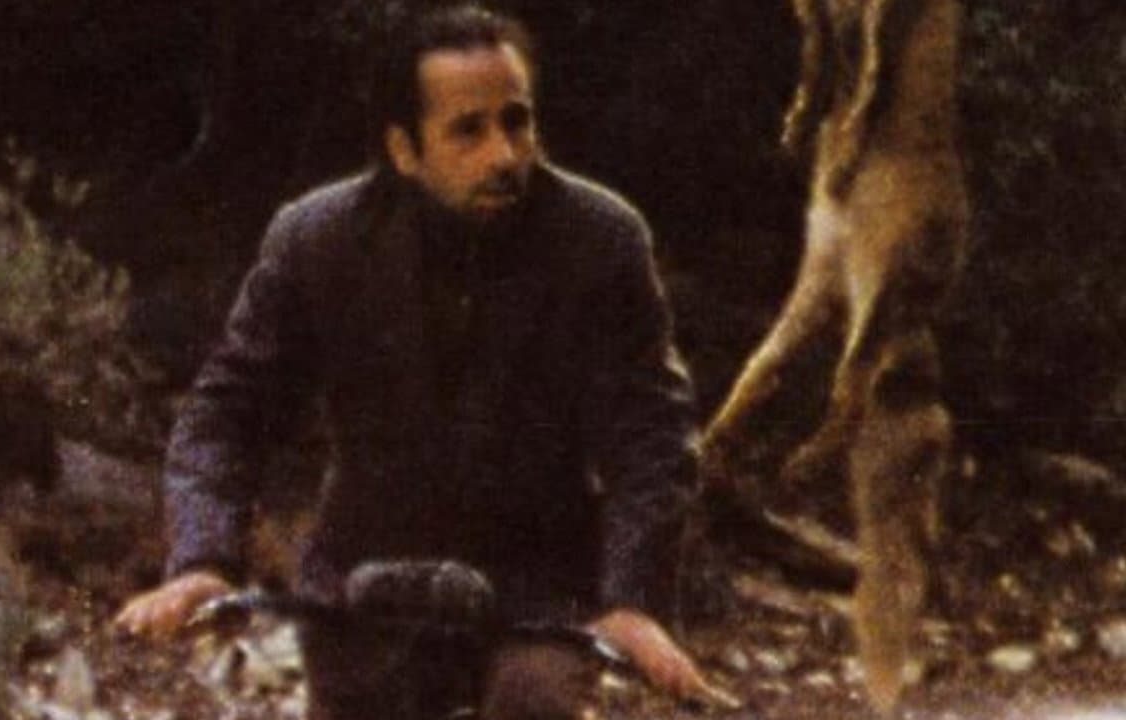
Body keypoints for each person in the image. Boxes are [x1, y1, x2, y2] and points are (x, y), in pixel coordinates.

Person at [115, 3, 722, 717]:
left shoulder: (601, 240)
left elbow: (652, 436)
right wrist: (202, 560)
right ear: (403, 150)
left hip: (541, 592)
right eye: (469, 130)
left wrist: (634, 599)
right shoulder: (317, 239)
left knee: (532, 703)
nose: (505, 154)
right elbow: (227, 412)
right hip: (365, 584)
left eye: (517, 121)